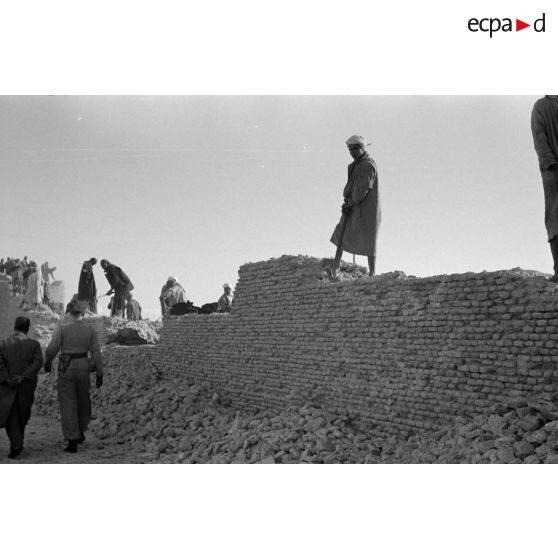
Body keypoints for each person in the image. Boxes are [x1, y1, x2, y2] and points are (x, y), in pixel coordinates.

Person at [44, 299, 104, 453]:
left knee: (68, 403)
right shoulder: (89, 329)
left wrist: (48, 363)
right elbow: (96, 352)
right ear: (83, 313)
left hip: (67, 368)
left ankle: (72, 440)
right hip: (83, 367)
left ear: (69, 312)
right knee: (83, 400)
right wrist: (99, 372)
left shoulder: (63, 328)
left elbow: (52, 349)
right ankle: (81, 432)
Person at [330, 135, 381, 277]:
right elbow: (350, 187)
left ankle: (372, 273)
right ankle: (335, 267)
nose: (352, 153)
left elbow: (363, 188)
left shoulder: (367, 164)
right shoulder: (355, 165)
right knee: (341, 231)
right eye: (349, 150)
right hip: (352, 206)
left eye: (354, 149)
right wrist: (348, 201)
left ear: (361, 148)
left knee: (369, 240)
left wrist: (352, 202)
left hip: (366, 208)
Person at [0, 317, 44, 459]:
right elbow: (38, 363)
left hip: (8, 385)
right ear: (27, 328)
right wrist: (23, 376)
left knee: (11, 413)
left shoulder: (3, 343)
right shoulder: (34, 344)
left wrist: (7, 377)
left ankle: (17, 444)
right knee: (22, 413)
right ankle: (17, 444)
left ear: (15, 326)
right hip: (26, 385)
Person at [532, 96, 558, 282]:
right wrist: (551, 165)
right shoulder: (542, 107)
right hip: (553, 172)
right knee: (555, 220)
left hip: (552, 170)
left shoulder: (541, 106)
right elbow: (539, 139)